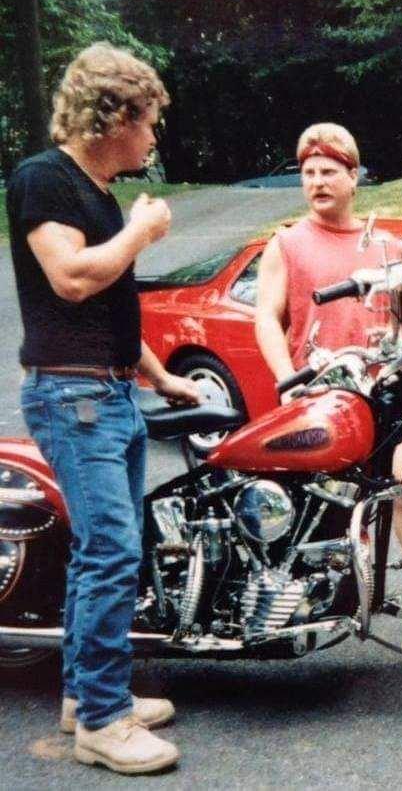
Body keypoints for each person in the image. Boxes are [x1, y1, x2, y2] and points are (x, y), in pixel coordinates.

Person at [8, 43, 200, 773]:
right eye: (147, 121)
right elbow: (73, 280)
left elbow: (114, 305)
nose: (153, 138)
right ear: (111, 116)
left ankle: (88, 692)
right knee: (109, 550)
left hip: (110, 388)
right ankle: (101, 719)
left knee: (115, 550)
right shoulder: (42, 179)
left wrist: (160, 375)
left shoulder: (97, 190)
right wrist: (141, 234)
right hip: (73, 394)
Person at [254, 123, 402, 575]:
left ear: (354, 177)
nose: (316, 182)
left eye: (328, 171)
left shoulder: (386, 245)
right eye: (308, 172)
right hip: (319, 397)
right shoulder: (286, 243)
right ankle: (337, 601)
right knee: (335, 506)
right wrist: (286, 382)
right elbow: (266, 319)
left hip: (378, 396)